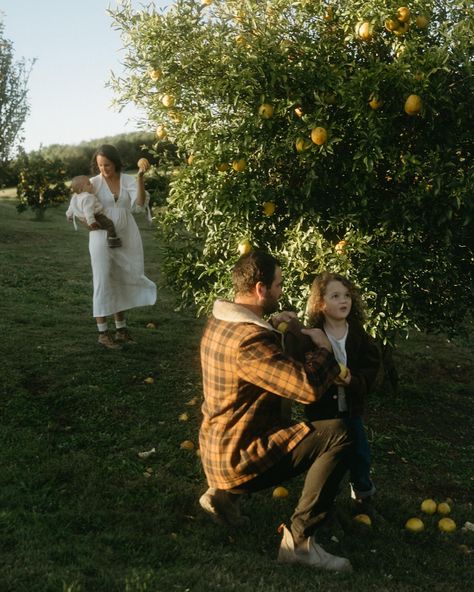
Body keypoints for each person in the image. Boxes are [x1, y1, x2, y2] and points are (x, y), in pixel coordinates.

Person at [198, 251, 353, 572]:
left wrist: (281, 327)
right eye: (278, 285)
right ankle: (299, 543)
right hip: (237, 458)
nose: (281, 290)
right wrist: (324, 347)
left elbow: (262, 362)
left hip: (217, 446)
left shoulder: (222, 322)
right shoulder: (249, 342)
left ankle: (223, 496)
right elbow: (307, 386)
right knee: (338, 434)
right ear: (259, 289)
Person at [303, 272, 381, 519]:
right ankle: (326, 501)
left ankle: (363, 496)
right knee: (329, 460)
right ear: (321, 303)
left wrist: (353, 380)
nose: (343, 300)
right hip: (323, 412)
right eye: (335, 296)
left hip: (351, 410)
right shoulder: (314, 335)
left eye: (347, 295)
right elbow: (304, 370)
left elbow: (371, 370)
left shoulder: (358, 335)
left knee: (360, 454)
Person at [89, 144, 157, 350]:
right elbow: (78, 210)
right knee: (102, 280)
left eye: (107, 165)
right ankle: (103, 333)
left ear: (116, 163)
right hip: (101, 237)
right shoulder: (93, 184)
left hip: (126, 235)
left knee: (122, 278)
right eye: (100, 166)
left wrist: (140, 178)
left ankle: (121, 330)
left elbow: (139, 205)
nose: (103, 169)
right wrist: (93, 224)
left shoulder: (128, 180)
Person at [66, 175, 122, 248]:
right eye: (88, 184)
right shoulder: (88, 197)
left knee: (99, 229)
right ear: (80, 189)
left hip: (84, 218)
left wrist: (69, 215)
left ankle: (101, 235)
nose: (91, 184)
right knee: (109, 224)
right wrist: (91, 222)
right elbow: (88, 211)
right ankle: (113, 240)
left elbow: (72, 207)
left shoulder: (75, 197)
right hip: (95, 217)